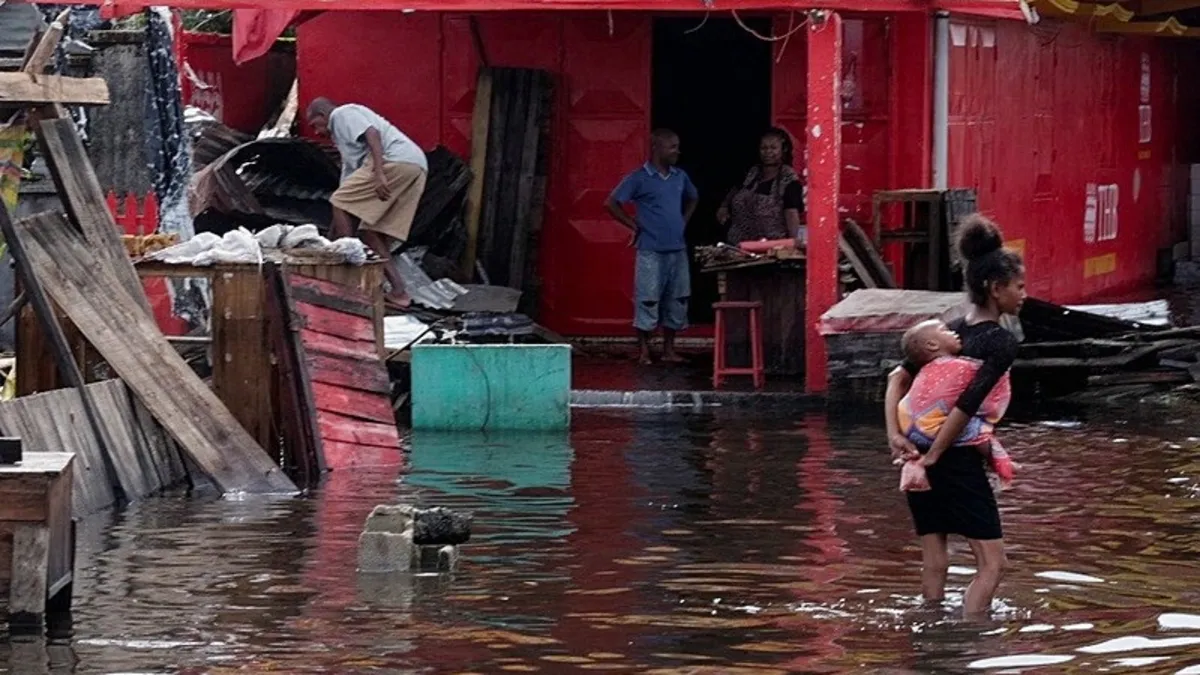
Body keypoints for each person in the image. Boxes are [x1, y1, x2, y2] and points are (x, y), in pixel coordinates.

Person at [883, 213, 1026, 620]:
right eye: (1018, 286)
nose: (1024, 294)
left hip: (916, 461)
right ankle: (969, 638)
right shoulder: (999, 341)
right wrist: (936, 455)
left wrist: (895, 436)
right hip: (955, 460)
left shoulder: (948, 332)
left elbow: (896, 379)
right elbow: (966, 405)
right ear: (995, 288)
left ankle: (929, 633)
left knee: (935, 561)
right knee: (992, 563)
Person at [307, 97, 428, 309]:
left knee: (340, 203)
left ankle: (349, 275)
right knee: (370, 232)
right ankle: (399, 292)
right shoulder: (344, 141)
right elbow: (346, 191)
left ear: (323, 115)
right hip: (415, 166)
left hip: (394, 160)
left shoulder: (342, 114)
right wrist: (331, 237)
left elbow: (372, 134)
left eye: (315, 125)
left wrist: (379, 172)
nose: (316, 132)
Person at [605, 129, 699, 365]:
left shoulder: (680, 176)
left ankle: (669, 350)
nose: (677, 151)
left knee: (677, 299)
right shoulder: (639, 178)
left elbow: (693, 197)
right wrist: (633, 224)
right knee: (647, 299)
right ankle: (644, 351)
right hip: (650, 250)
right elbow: (611, 203)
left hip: (677, 249)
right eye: (672, 147)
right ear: (657, 148)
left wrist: (682, 221)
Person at [895, 319, 1016, 492]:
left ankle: (909, 459)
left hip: (909, 428)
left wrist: (894, 435)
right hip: (931, 430)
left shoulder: (924, 369)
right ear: (932, 345)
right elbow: (991, 379)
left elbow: (896, 378)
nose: (955, 333)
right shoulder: (960, 366)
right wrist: (1002, 366)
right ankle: (1001, 463)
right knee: (979, 429)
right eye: (946, 331)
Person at [716, 127, 805, 245]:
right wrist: (724, 206)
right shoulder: (751, 173)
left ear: (784, 149)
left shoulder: (788, 180)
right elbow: (736, 189)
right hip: (738, 244)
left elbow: (791, 213)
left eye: (773, 148)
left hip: (770, 246)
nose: (768, 152)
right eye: (764, 148)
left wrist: (793, 243)